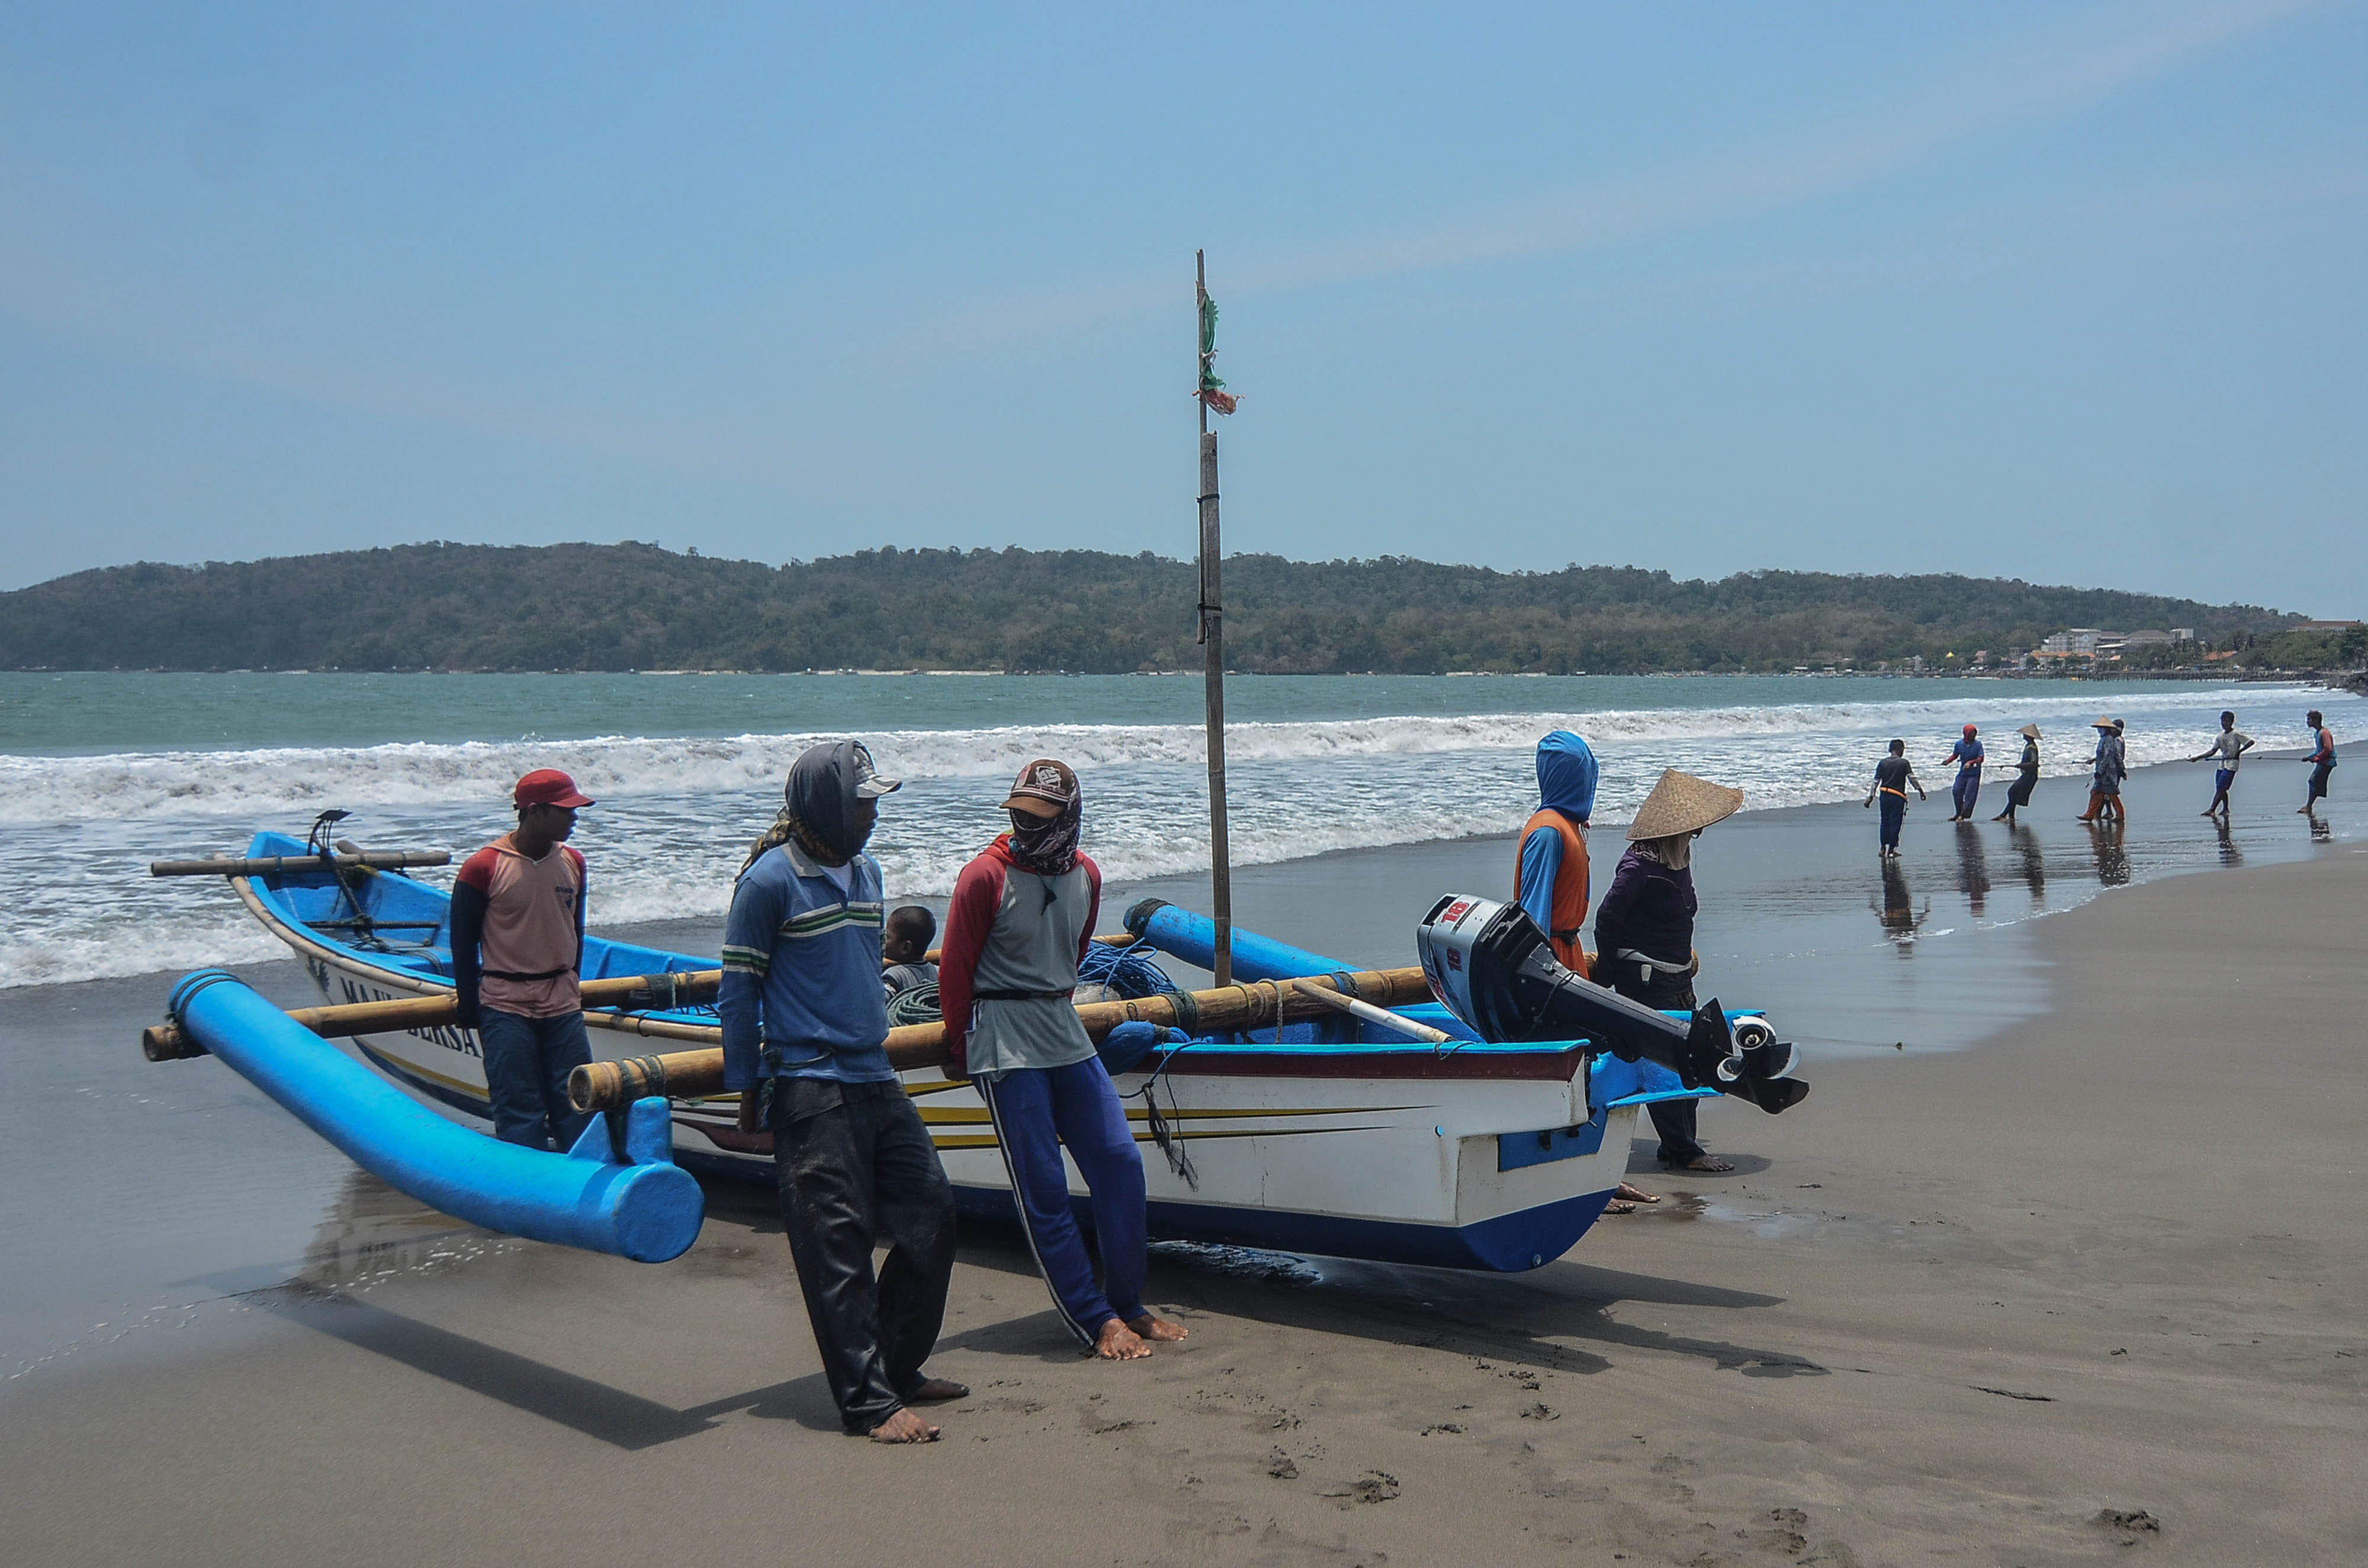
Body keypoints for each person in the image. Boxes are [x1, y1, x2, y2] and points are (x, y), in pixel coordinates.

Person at [719, 740, 962, 1445]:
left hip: (874, 1076)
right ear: (828, 805)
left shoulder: (866, 872)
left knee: (932, 1218)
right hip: (811, 1085)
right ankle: (867, 1404)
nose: (874, 816)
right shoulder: (768, 883)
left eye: (877, 802)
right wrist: (747, 1091)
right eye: (864, 803)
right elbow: (739, 993)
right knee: (838, 1245)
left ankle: (897, 1366)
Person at [939, 759, 1189, 1360]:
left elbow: (1073, 954)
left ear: (1069, 816)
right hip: (1003, 1037)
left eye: (1040, 816)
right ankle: (1093, 1317)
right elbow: (955, 970)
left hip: (1062, 1027)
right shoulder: (983, 877)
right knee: (1044, 1188)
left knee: (1119, 1162)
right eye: (1019, 814)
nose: (1027, 826)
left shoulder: (1086, 876)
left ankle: (1127, 1301)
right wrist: (957, 1047)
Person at [1510, 732, 1659, 1213]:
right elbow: (1531, 916)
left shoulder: (1568, 826)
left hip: (1569, 957)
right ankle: (1571, 1184)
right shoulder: (1549, 832)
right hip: (1550, 965)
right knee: (1566, 1074)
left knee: (1588, 1071)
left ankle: (1597, 1177)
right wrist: (1543, 981)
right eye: (1586, 775)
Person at [1593, 768, 1745, 1174]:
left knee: (1690, 1059)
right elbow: (1606, 919)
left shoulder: (1675, 860)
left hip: (1678, 978)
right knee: (1666, 1064)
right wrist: (1606, 970)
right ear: (1673, 832)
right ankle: (1683, 1150)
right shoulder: (1638, 868)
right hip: (1646, 979)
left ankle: (1680, 1145)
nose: (1694, 838)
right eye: (1691, 832)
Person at [452, 768, 596, 1151]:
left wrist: (572, 983)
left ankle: (581, 1187)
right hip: (505, 1003)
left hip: (562, 1001)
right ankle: (530, 1191)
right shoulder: (483, 867)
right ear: (534, 812)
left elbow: (574, 931)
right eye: (565, 810)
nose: (574, 817)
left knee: (579, 1100)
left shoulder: (575, 863)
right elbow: (462, 943)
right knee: (519, 1107)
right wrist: (469, 1005)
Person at [1862, 740, 1925, 857]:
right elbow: (1912, 779)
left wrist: (1871, 797)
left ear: (1890, 750)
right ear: (1901, 749)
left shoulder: (1882, 763)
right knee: (1895, 822)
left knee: (1884, 821)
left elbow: (1875, 782)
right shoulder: (1904, 763)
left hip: (1884, 795)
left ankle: (1882, 848)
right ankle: (1891, 850)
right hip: (1897, 796)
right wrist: (1920, 790)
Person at [2187, 711, 2253, 820]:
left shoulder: (2236, 734)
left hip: (2232, 764)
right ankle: (2226, 809)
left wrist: (2239, 752)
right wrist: (2198, 757)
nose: (2224, 723)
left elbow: (2250, 742)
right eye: (2222, 720)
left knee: (2221, 787)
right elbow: (2213, 751)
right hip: (2222, 764)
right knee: (2220, 787)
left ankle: (2212, 809)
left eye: (2226, 721)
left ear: (2232, 722)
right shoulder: (2220, 736)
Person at [881, 906, 939, 999]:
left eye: (887, 937)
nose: (883, 941)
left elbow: (879, 1002)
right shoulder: (934, 971)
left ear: (905, 947)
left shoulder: (893, 976)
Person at [2077, 717, 2126, 823]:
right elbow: (2115, 756)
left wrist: (2100, 771)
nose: (2099, 731)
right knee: (2096, 793)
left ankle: (2120, 814)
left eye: (2101, 729)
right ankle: (2090, 814)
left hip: (2107, 774)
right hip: (2105, 772)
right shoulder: (2105, 740)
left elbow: (2108, 757)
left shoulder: (2108, 740)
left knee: (2111, 795)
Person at [1992, 723, 2041, 824]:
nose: (2023, 735)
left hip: (2030, 775)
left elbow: (2033, 763)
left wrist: (2021, 765)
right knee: (2014, 793)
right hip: (2027, 775)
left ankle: (2004, 815)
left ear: (2028, 736)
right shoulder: (2029, 746)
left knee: (2012, 792)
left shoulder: (2032, 748)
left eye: (2025, 734)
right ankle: (2010, 816)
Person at [1942, 725, 1984, 822]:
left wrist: (1971, 763)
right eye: (1971, 734)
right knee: (1956, 791)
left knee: (1970, 795)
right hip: (1963, 772)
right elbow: (1955, 755)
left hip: (1974, 773)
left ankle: (1963, 815)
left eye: (1974, 734)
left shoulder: (1978, 744)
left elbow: (1981, 758)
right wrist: (1948, 761)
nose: (1973, 736)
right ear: (1966, 734)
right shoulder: (1959, 744)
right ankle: (1958, 812)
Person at [2300, 710, 2338, 815]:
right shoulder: (2317, 733)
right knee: (2314, 782)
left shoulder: (2324, 733)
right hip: (2323, 762)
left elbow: (2328, 749)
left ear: (2316, 720)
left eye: (2309, 720)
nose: (2307, 722)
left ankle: (2308, 807)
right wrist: (2309, 757)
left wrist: (2316, 758)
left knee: (2313, 781)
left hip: (2327, 762)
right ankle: (2309, 806)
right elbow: (2319, 750)